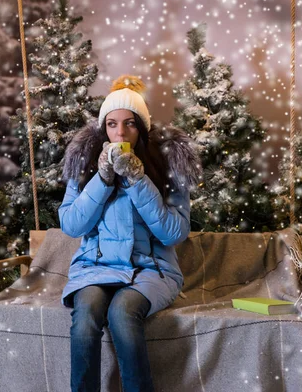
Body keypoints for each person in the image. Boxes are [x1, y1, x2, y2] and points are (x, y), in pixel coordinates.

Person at [59, 75, 202, 392]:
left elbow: (172, 233)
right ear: (103, 128)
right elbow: (71, 224)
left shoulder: (166, 166)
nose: (120, 133)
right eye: (111, 124)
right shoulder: (85, 165)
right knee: (85, 318)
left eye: (129, 124)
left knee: (123, 314)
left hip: (151, 270)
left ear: (142, 128)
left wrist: (138, 180)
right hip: (94, 268)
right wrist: (102, 179)